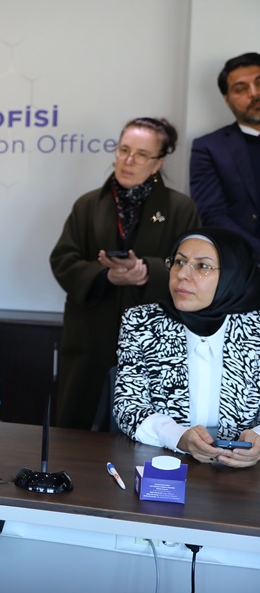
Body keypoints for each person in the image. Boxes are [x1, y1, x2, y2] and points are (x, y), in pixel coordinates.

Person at [50, 117, 200, 430]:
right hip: (91, 334)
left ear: (158, 163)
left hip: (153, 337)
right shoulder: (88, 205)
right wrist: (105, 276)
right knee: (79, 430)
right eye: (124, 150)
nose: (128, 161)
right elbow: (62, 260)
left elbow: (194, 268)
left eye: (142, 155)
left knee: (147, 432)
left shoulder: (180, 208)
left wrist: (148, 271)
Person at [113, 227, 260, 468]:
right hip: (163, 464)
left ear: (233, 275)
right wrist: (178, 437)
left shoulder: (255, 327)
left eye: (202, 266)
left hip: (244, 473)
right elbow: (128, 406)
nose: (182, 274)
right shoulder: (142, 322)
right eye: (179, 262)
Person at [190, 52, 260, 255]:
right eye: (241, 89)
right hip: (247, 261)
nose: (254, 93)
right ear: (227, 99)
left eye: (259, 83)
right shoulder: (208, 148)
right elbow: (212, 215)